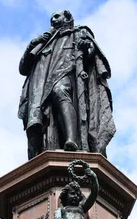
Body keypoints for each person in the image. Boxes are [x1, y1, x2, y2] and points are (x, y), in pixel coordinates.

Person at [18, 10, 115, 159]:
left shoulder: (78, 32)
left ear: (68, 18)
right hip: (41, 84)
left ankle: (71, 140)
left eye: (57, 16)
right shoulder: (43, 42)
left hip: (65, 72)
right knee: (42, 118)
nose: (53, 20)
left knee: (60, 91)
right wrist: (33, 43)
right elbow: (23, 69)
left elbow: (91, 55)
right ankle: (43, 150)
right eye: (51, 18)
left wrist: (86, 47)